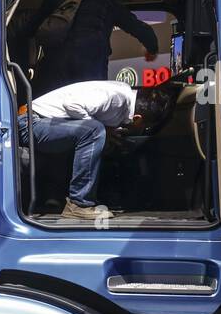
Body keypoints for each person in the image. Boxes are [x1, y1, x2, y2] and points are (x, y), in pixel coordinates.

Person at [18, 80, 171, 220]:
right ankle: (79, 204)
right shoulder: (116, 99)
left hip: (42, 122)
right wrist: (100, 128)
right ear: (137, 118)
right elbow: (71, 104)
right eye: (145, 126)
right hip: (31, 123)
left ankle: (83, 197)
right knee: (94, 131)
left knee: (98, 133)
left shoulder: (124, 97)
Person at [15, 0, 159, 95]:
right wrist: (152, 48)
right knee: (91, 113)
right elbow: (136, 26)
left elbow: (29, 28)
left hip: (54, 68)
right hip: (91, 67)